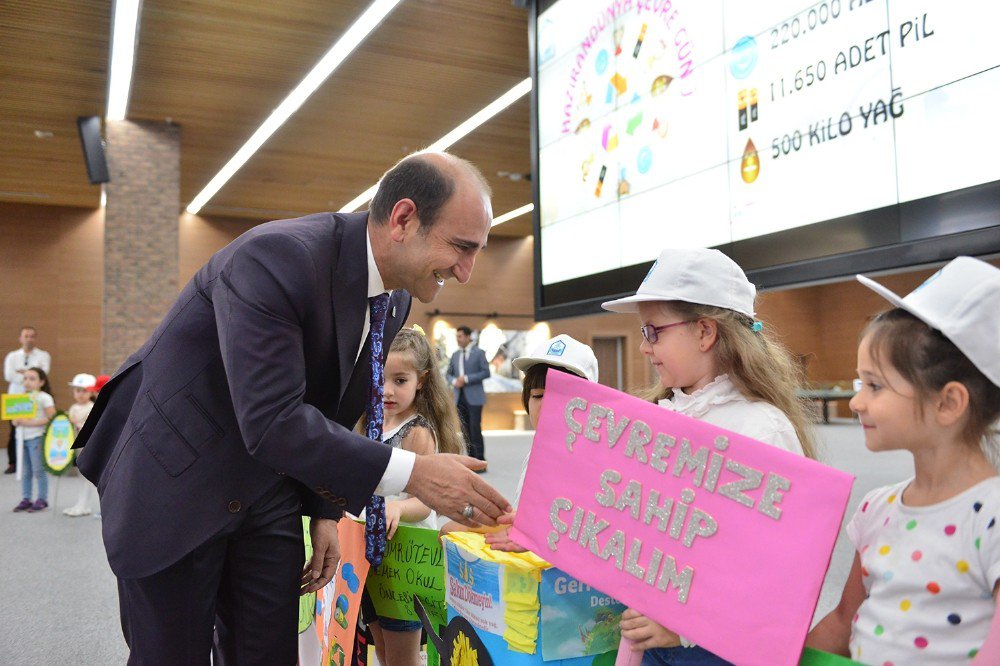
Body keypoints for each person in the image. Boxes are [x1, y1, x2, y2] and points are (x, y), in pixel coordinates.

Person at [74, 152, 512, 664]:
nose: (466, 272)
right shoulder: (276, 257)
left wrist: (325, 510)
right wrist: (416, 473)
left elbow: (329, 403)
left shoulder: (395, 299)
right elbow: (272, 418)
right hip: (176, 479)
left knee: (266, 653)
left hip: (266, 487)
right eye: (461, 248)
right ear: (403, 219)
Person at [601, 247, 817, 665]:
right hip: (647, 636)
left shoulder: (761, 430)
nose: (644, 348)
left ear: (705, 332)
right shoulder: (656, 418)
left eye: (653, 331)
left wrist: (683, 628)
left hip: (715, 650)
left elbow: (775, 576)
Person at [807, 257, 1000, 664]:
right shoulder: (876, 509)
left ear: (948, 402)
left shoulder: (992, 516)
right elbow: (844, 621)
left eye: (875, 386)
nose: (857, 401)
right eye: (861, 383)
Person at [360, 327, 465, 666]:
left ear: (421, 380)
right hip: (372, 553)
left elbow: (429, 500)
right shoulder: (372, 422)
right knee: (382, 646)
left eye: (400, 380)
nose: (388, 390)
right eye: (381, 377)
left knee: (403, 654)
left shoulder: (417, 432)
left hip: (406, 560)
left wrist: (398, 507)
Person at [479, 334, 600, 552]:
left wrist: (540, 535)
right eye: (537, 395)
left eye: (560, 393)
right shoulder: (538, 450)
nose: (546, 405)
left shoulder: (595, 461)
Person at [4, 326, 51, 474]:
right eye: (26, 336)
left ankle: (38, 461)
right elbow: (9, 375)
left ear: (35, 338)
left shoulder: (43, 355)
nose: (28, 339)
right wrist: (29, 376)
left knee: (36, 429)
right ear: (20, 338)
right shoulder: (12, 356)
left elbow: (44, 373)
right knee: (15, 430)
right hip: (16, 398)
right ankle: (13, 463)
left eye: (31, 336)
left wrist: (24, 373)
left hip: (35, 398)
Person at [11, 367, 56, 512]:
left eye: (32, 379)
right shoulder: (20, 397)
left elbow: (51, 417)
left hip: (37, 438)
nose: (27, 382)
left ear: (41, 382)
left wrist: (29, 423)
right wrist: (15, 421)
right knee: (25, 471)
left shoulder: (44, 397)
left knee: (38, 470)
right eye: (25, 378)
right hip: (21, 439)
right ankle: (26, 498)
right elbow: (14, 419)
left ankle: (42, 499)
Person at [447, 325, 489, 462]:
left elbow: (486, 372)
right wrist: (454, 381)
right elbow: (449, 374)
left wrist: (466, 379)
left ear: (468, 337)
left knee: (475, 429)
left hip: (475, 398)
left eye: (460, 336)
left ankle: (480, 460)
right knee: (464, 431)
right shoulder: (455, 355)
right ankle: (471, 460)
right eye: (456, 337)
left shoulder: (479, 353)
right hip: (459, 398)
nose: (457, 339)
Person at [64, 373, 99, 517]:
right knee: (81, 477)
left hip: (87, 446)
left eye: (83, 390)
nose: (80, 394)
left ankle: (84, 505)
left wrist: (77, 423)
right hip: (76, 447)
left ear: (90, 392)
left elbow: (91, 426)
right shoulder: (73, 408)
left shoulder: (92, 407)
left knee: (87, 477)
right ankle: (82, 504)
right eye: (77, 390)